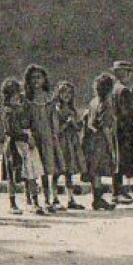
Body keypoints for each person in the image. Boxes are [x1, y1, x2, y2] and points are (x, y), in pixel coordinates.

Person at [0, 77, 44, 215]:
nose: (16, 96)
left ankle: (33, 201)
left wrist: (32, 136)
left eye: (17, 93)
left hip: (27, 141)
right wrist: (25, 137)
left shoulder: (25, 106)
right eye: (12, 94)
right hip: (14, 143)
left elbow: (32, 122)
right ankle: (12, 203)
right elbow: (10, 130)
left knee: (31, 172)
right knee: (13, 174)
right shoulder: (8, 111)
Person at [23, 65, 62, 212]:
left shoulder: (49, 98)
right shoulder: (27, 99)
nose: (36, 81)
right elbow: (25, 119)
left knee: (46, 169)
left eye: (39, 77)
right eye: (33, 78)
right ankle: (32, 201)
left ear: (44, 79)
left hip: (46, 137)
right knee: (31, 169)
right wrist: (28, 135)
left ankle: (47, 199)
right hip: (32, 137)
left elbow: (53, 117)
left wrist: (54, 134)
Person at [82, 71, 120, 211]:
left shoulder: (93, 102)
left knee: (94, 170)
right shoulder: (106, 105)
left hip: (91, 139)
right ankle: (98, 199)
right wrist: (111, 148)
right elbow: (106, 128)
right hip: (101, 141)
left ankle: (96, 198)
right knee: (98, 169)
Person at [110, 60, 133, 203]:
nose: (129, 75)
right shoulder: (124, 90)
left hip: (115, 128)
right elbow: (127, 112)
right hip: (124, 129)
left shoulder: (112, 89)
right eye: (128, 72)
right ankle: (117, 192)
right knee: (123, 160)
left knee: (118, 160)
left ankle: (119, 190)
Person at [51, 80, 85, 210]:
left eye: (70, 93)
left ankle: (71, 199)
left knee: (69, 172)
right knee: (57, 171)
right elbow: (56, 130)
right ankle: (54, 198)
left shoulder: (72, 109)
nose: (67, 96)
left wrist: (76, 123)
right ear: (58, 94)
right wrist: (66, 124)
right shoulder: (56, 110)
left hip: (71, 144)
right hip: (61, 143)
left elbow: (77, 127)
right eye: (64, 93)